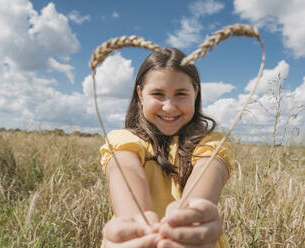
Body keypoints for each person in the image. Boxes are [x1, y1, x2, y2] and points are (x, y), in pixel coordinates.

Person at [99, 48, 233, 248]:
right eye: (158, 94)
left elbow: (209, 173)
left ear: (195, 94)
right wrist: (138, 229)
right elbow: (125, 171)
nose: (169, 107)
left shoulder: (212, 144)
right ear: (140, 94)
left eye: (180, 94)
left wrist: (187, 221)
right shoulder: (123, 141)